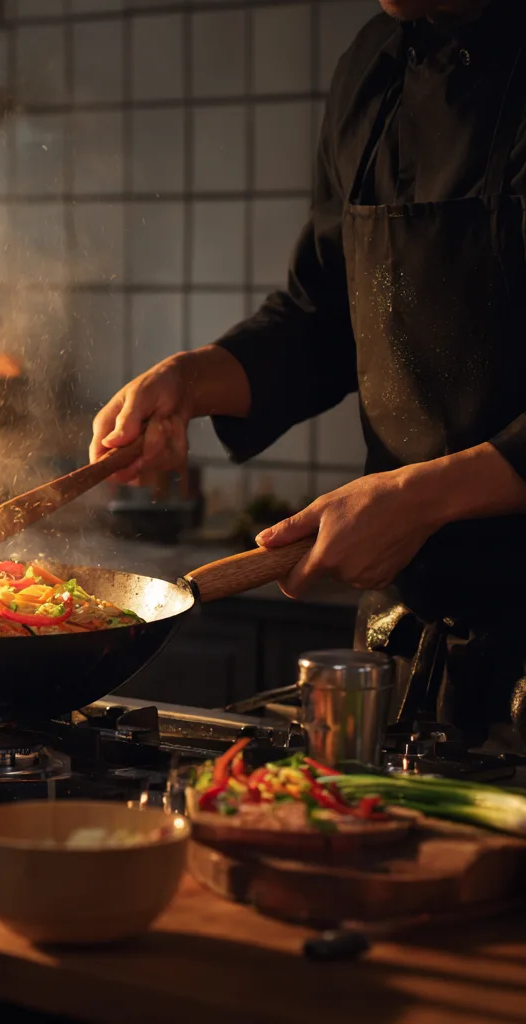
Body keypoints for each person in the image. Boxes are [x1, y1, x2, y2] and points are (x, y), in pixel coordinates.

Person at [90, 0, 526, 744]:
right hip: (409, 637)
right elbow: (325, 315)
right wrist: (191, 380)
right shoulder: (375, 63)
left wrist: (422, 499)